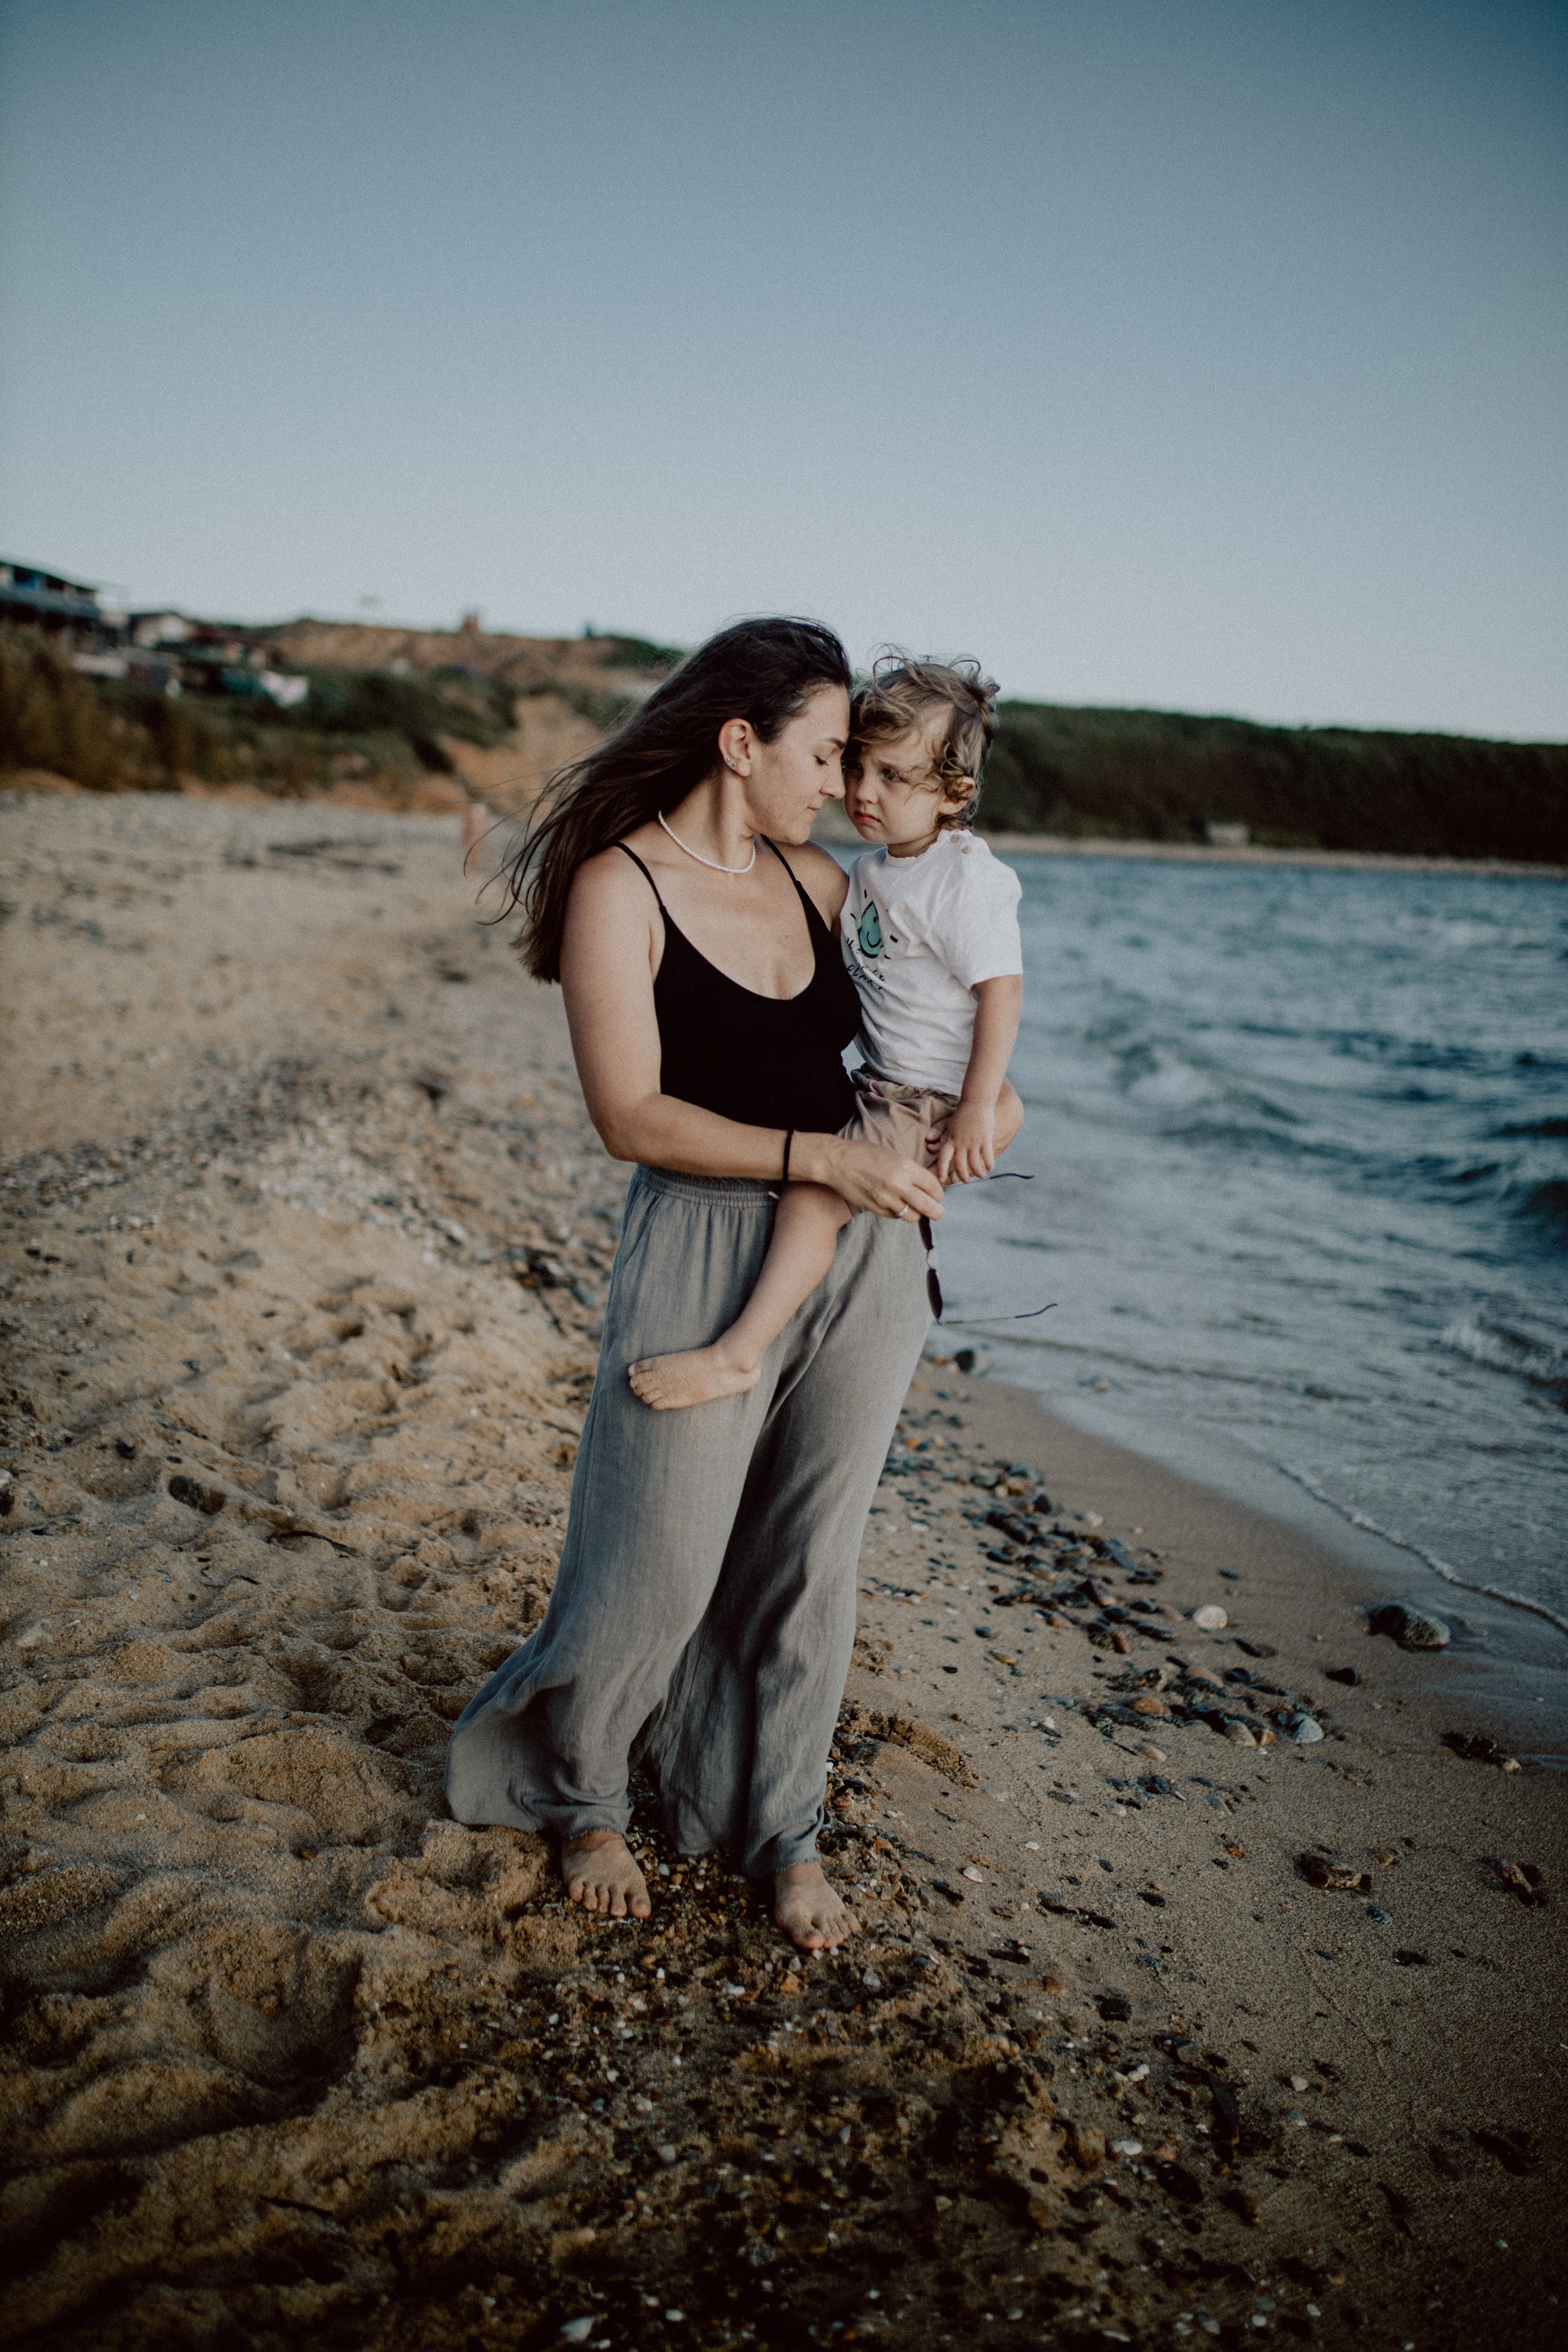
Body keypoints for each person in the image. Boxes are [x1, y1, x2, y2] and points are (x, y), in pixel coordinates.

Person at [443, 619, 1019, 1951]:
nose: (840, 782)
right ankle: (584, 1794)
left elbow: (930, 1028)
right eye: (824, 753)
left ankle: (780, 1827)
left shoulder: (827, 887)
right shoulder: (620, 889)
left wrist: (982, 1116)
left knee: (808, 1561)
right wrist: (819, 1151)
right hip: (702, 1247)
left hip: (863, 1253)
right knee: (657, 1554)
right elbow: (629, 1117)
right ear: (739, 741)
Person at [628, 656, 1022, 1413]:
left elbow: (1000, 989)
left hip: (922, 1096)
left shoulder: (963, 877)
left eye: (894, 778)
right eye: (854, 765)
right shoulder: (877, 869)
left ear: (956, 794)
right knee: (824, 1194)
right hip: (886, 1086)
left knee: (813, 1202)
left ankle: (738, 1354)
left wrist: (980, 1108)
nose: (859, 792)